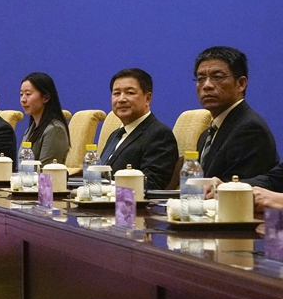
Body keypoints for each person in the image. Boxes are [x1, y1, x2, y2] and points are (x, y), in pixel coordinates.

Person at [192, 46, 278, 181]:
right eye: (201, 78)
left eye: (217, 77)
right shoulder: (206, 135)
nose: (207, 85)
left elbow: (237, 191)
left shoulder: (250, 130)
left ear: (241, 84)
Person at [97, 68, 179, 191]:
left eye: (130, 93)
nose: (121, 99)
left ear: (147, 98)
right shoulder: (115, 134)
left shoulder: (159, 134)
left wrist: (107, 190)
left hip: (129, 207)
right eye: (116, 93)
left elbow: (152, 184)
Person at [18, 72, 70, 165]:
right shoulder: (32, 128)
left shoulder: (55, 129)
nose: (23, 99)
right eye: (21, 94)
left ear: (45, 98)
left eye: (28, 94)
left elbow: (46, 172)